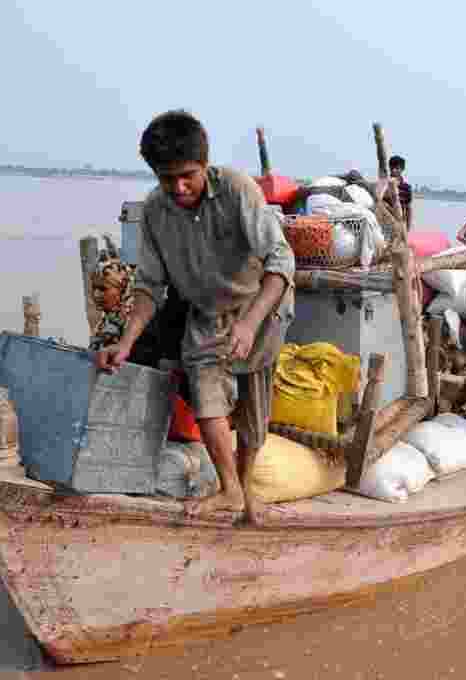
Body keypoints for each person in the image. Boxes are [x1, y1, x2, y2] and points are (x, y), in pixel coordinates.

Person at [95, 110, 295, 522]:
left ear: (204, 164)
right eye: (167, 179)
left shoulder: (238, 190)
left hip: (260, 304)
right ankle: (230, 491)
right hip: (206, 312)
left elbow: (281, 262)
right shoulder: (154, 211)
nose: (179, 187)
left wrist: (250, 322)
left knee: (254, 413)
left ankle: (247, 488)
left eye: (187, 175)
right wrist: (126, 342)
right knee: (207, 400)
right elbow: (150, 288)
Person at [387, 155, 414, 229]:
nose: (393, 170)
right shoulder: (384, 185)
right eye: (391, 168)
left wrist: (408, 228)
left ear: (402, 169)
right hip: (385, 222)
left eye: (396, 168)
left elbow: (408, 209)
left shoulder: (406, 188)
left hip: (399, 223)